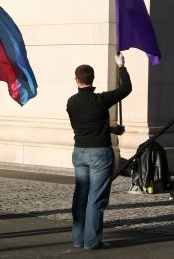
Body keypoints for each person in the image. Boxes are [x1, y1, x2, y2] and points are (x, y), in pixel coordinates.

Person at [66, 53, 132, 250]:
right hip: (100, 153)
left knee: (80, 195)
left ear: (76, 79)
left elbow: (85, 126)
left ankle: (78, 239)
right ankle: (92, 241)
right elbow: (126, 88)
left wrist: (110, 129)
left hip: (79, 152)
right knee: (96, 198)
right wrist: (121, 67)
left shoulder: (71, 102)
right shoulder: (101, 100)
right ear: (92, 79)